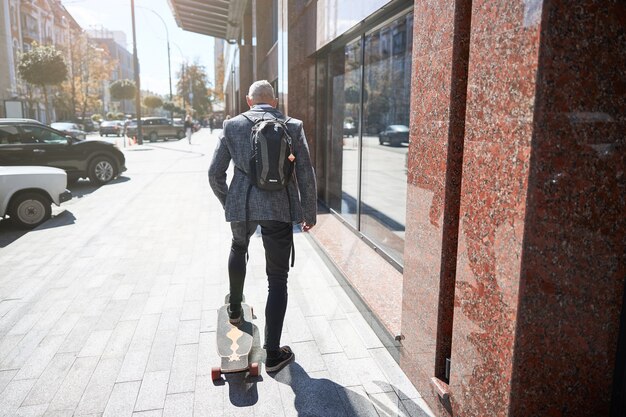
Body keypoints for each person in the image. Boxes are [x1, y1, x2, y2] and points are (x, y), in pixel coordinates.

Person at [208, 80, 317, 373]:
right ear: (276, 101)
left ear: (248, 101)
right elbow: (305, 171)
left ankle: (233, 311)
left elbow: (214, 173)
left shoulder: (232, 126)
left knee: (238, 247)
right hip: (279, 207)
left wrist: (227, 201)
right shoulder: (292, 125)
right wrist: (309, 213)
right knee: (278, 278)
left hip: (242, 205)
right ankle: (272, 354)